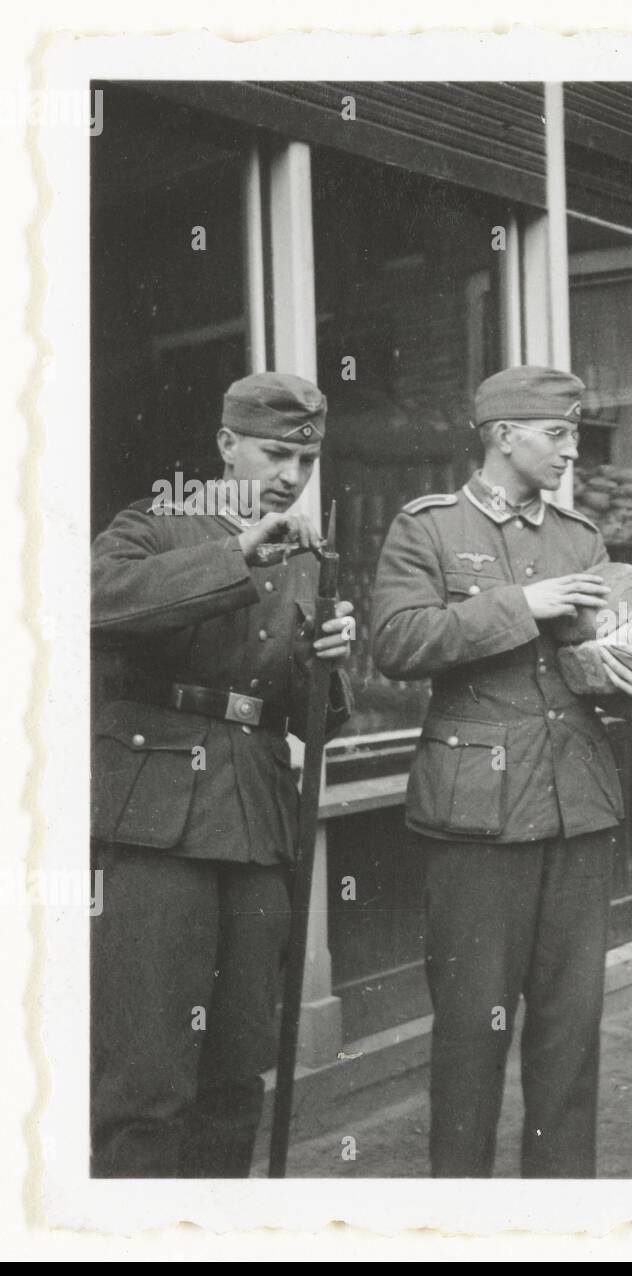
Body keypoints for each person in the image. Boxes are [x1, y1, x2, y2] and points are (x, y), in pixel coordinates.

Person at [370, 365, 632, 1178]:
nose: (574, 450)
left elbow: (597, 661)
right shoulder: (429, 527)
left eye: (577, 432)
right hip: (478, 819)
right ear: (504, 435)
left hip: (576, 810)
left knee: (570, 1042)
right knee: (471, 1039)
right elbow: (396, 644)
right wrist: (522, 604)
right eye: (558, 433)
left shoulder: (581, 537)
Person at [90, 372, 355, 1177]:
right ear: (225, 444)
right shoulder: (157, 524)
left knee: (237, 1071)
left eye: (305, 461)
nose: (290, 476)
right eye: (275, 454)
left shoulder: (309, 557)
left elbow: (307, 711)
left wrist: (327, 666)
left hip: (254, 818)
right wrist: (232, 553)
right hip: (156, 824)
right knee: (149, 1077)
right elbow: (91, 602)